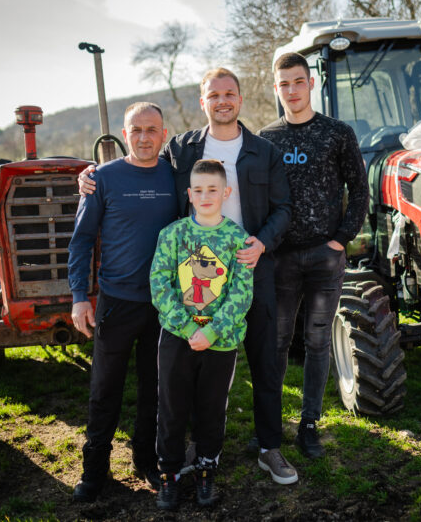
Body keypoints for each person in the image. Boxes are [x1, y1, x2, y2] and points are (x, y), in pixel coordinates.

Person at [79, 68, 297, 485]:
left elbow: (283, 208)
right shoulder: (180, 148)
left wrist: (262, 243)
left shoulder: (262, 150)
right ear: (203, 102)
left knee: (265, 363)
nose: (222, 101)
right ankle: (200, 446)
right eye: (214, 95)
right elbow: (138, 161)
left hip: (250, 269)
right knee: (196, 362)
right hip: (195, 278)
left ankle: (270, 447)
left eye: (230, 93)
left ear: (240, 99)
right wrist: (92, 175)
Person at [258, 52, 368, 459]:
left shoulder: (337, 133)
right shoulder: (266, 139)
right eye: (284, 83)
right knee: (277, 342)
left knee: (318, 341)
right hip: (281, 259)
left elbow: (358, 189)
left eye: (298, 82)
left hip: (325, 257)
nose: (292, 90)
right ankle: (269, 424)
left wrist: (341, 238)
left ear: (310, 84)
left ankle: (309, 424)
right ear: (276, 89)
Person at [68, 102, 178, 502]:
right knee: (104, 389)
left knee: (155, 388)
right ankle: (95, 470)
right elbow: (81, 240)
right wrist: (80, 297)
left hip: (164, 305)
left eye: (152, 130)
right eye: (136, 130)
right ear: (124, 134)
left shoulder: (176, 175)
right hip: (116, 302)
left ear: (164, 134)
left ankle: (146, 460)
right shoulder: (103, 178)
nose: (145, 137)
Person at [150, 159, 253, 510]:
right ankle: (170, 475)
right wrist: (191, 327)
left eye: (213, 189)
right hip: (178, 338)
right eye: (199, 190)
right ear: (189, 194)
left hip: (221, 342)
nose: (206, 195)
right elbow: (160, 286)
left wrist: (212, 331)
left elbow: (241, 294)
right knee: (171, 407)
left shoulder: (239, 239)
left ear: (226, 193)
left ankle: (207, 469)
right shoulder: (173, 235)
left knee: (212, 408)